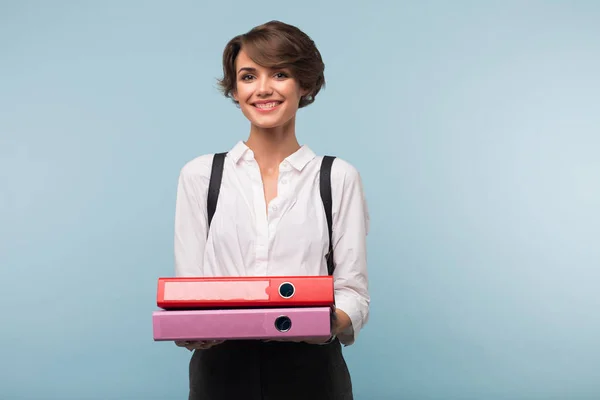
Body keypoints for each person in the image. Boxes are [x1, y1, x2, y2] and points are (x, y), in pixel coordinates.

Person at [172, 20, 370, 400]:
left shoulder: (337, 177)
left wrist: (325, 322)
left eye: (279, 74)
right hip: (220, 371)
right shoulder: (199, 176)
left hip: (312, 371)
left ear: (305, 84)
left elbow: (353, 293)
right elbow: (190, 292)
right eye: (248, 76)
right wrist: (190, 328)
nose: (262, 88)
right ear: (234, 89)